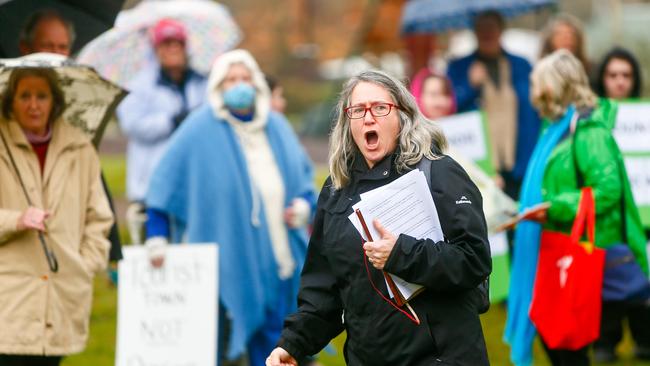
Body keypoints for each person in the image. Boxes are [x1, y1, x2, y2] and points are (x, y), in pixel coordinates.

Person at [266, 69, 492, 366]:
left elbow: (474, 259)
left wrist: (401, 253)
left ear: (403, 115)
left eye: (380, 108)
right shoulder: (336, 191)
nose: (368, 118)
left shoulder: (438, 172)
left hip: (441, 356)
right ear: (348, 123)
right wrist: (293, 344)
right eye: (358, 110)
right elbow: (323, 291)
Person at [144, 49, 315, 366]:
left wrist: (304, 207)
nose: (239, 85)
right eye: (231, 79)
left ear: (256, 83)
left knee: (288, 345)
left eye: (245, 78)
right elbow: (163, 188)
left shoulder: (275, 126)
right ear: (218, 87)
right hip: (228, 267)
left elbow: (305, 182)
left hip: (282, 261)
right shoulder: (199, 130)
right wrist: (156, 235)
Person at [507, 49, 649, 366]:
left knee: (566, 346)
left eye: (536, 83)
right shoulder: (554, 130)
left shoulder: (588, 132)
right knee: (560, 342)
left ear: (555, 86)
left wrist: (554, 207)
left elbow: (608, 190)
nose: (531, 92)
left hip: (582, 253)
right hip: (557, 247)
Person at [0, 68, 113, 365]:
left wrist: (85, 265)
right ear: (11, 101)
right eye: (25, 95)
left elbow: (99, 217)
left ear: (55, 101)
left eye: (42, 96)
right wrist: (15, 220)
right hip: (9, 300)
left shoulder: (81, 148)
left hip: (63, 296)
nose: (33, 105)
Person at [19, 9, 123, 269]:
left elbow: (95, 198)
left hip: (66, 259)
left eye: (62, 47)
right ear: (26, 48)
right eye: (47, 46)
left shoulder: (79, 101)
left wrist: (92, 258)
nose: (55, 55)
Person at [117, 18, 207, 243]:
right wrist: (172, 121)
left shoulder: (201, 82)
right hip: (152, 184)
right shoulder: (139, 84)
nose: (173, 49)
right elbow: (133, 124)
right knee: (159, 250)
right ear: (156, 49)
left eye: (178, 43)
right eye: (167, 44)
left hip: (194, 182)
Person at [593, 46, 650, 363]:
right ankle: (606, 342)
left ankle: (644, 339)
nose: (619, 82)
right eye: (613, 75)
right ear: (602, 79)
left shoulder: (646, 115)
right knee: (609, 279)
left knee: (644, 275)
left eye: (626, 75)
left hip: (643, 214)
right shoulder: (592, 121)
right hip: (608, 216)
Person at [447, 10, 540, 200]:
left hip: (520, 160)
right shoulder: (459, 67)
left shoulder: (521, 65)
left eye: (492, 27)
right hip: (481, 164)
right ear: (475, 32)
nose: (487, 33)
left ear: (501, 30)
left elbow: (534, 107)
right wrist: (469, 85)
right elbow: (448, 107)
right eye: (482, 28)